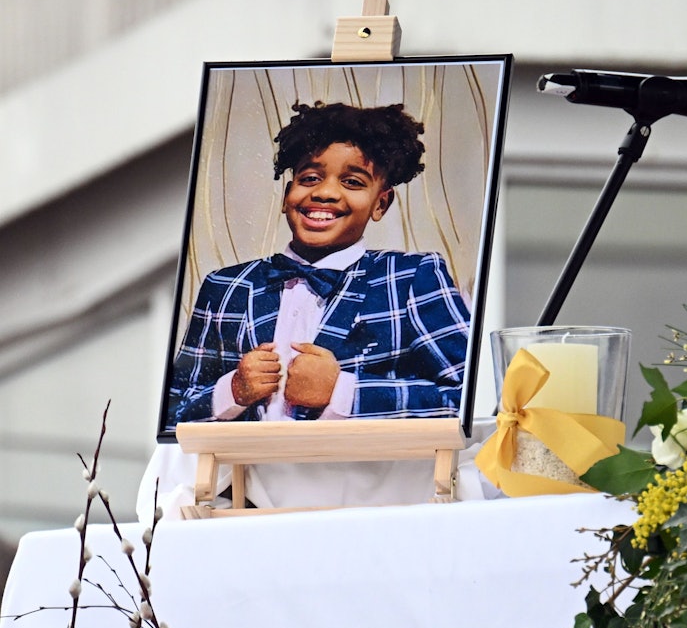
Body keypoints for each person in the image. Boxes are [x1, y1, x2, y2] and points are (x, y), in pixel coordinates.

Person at [164, 102, 471, 433]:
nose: (325, 192)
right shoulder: (225, 287)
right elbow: (170, 415)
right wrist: (232, 391)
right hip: (245, 483)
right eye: (309, 178)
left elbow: (468, 398)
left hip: (364, 483)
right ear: (286, 196)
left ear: (380, 203)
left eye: (352, 182)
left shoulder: (412, 278)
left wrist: (343, 392)